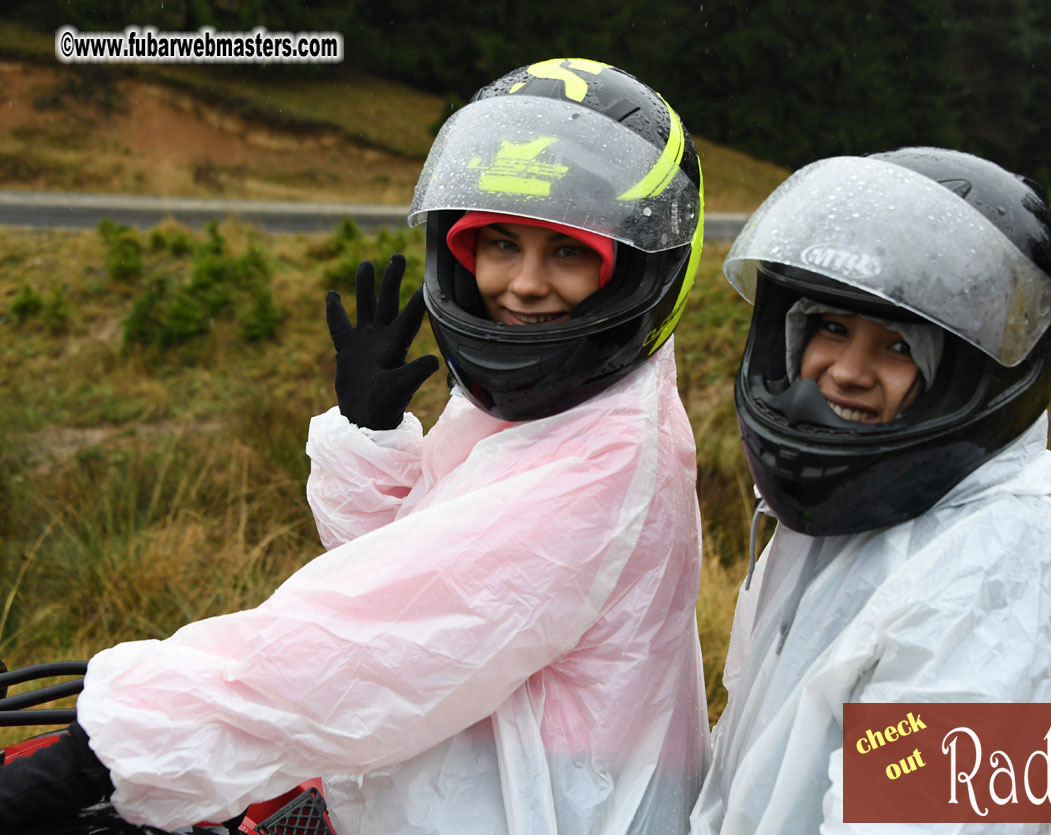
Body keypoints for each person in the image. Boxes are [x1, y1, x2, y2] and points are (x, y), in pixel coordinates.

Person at [0, 59, 708, 835]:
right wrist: (372, 440)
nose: (524, 284)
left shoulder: (597, 459)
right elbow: (406, 576)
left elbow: (367, 640)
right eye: (500, 243)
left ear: (636, 271)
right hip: (474, 792)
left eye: (568, 252)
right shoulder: (566, 414)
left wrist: (105, 753)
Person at [688, 148, 1051, 834]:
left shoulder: (999, 572)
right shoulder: (851, 523)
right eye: (830, 328)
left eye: (897, 346)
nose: (846, 371)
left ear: (965, 376)